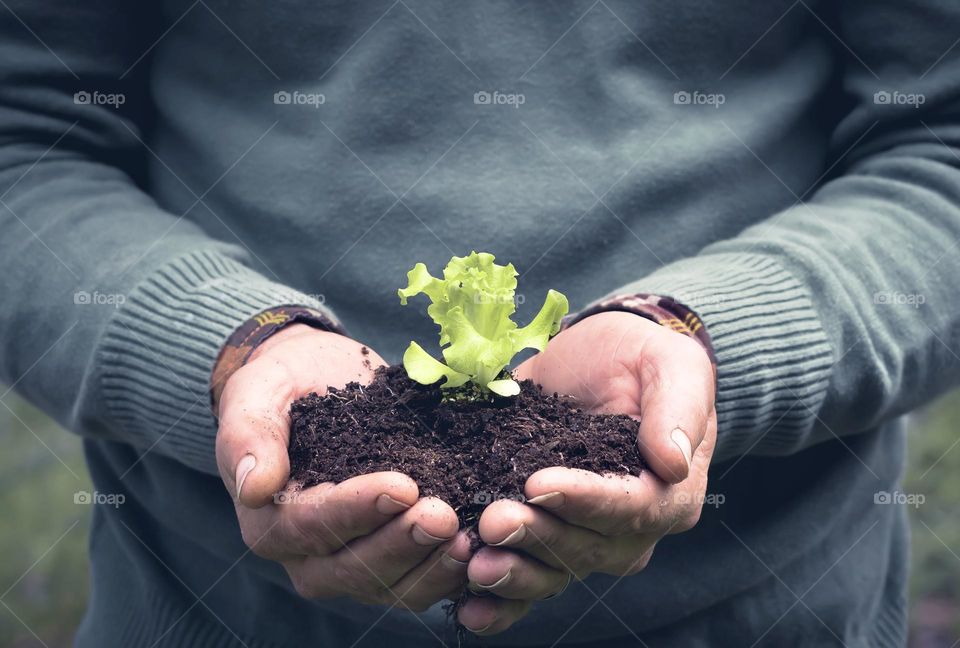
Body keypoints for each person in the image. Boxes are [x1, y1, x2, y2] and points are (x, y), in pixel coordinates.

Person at [1, 1, 958, 646]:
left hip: (764, 607)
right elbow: (26, 141)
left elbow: (939, 141)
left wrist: (708, 337)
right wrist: (233, 345)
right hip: (209, 602)